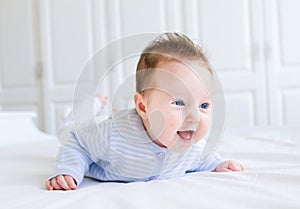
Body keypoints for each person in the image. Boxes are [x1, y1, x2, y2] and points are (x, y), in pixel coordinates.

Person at [45, 33, 244, 191]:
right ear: (142, 107)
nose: (194, 117)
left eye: (203, 106)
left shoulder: (191, 143)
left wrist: (218, 164)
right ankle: (90, 105)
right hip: (83, 131)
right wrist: (69, 172)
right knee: (69, 129)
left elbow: (203, 157)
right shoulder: (112, 136)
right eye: (179, 102)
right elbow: (78, 143)